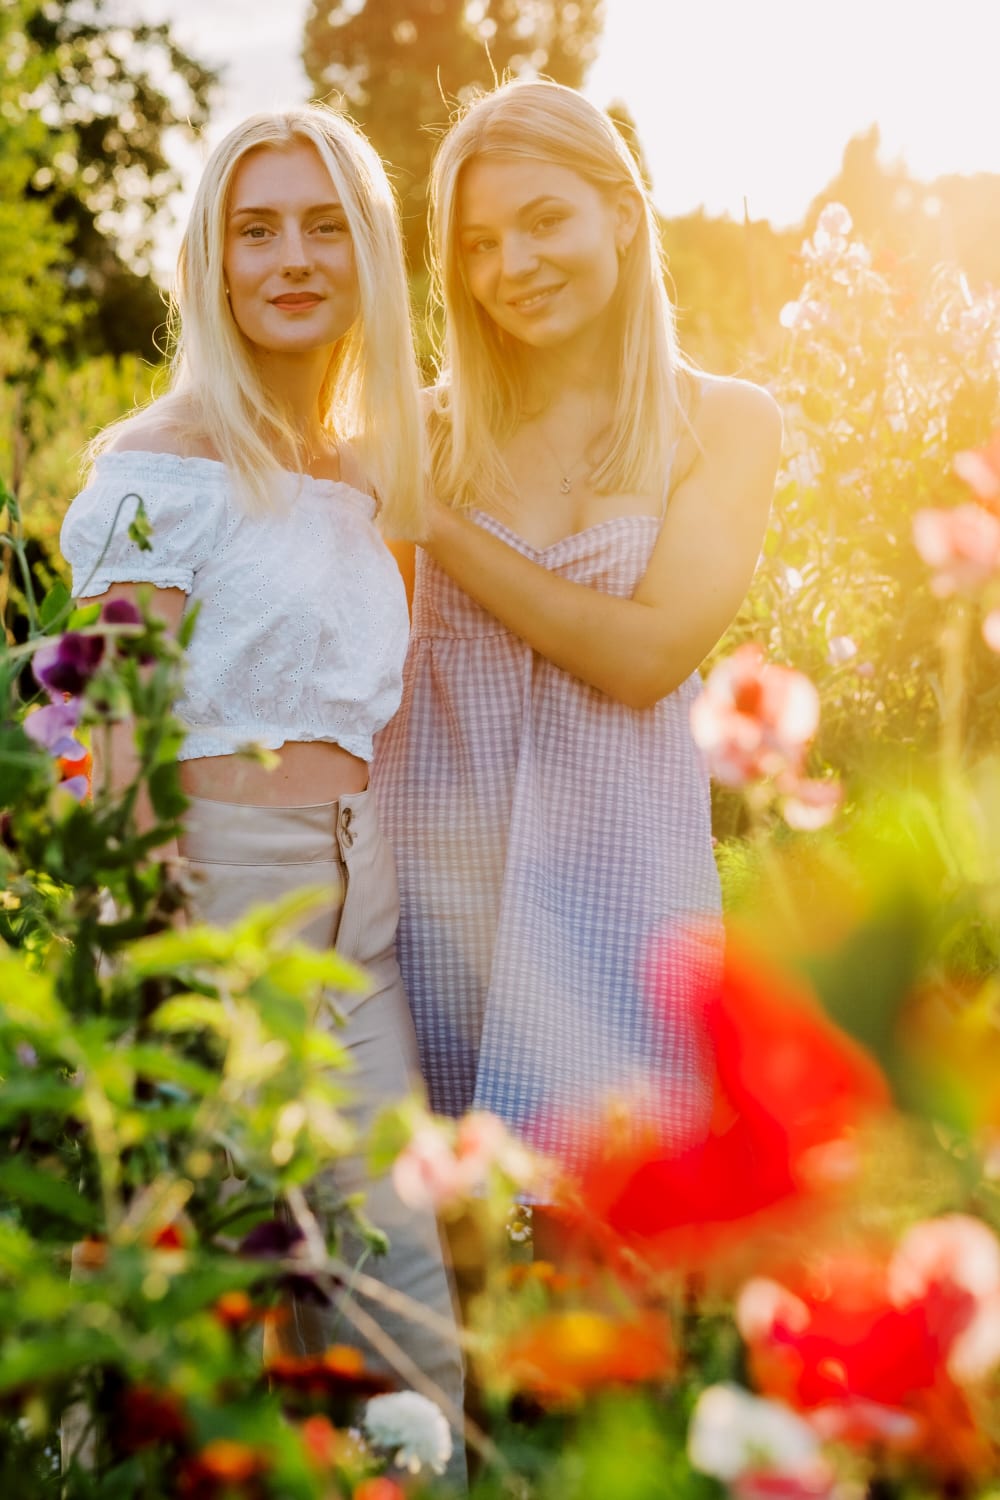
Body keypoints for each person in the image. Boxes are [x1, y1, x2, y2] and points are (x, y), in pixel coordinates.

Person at [59, 105, 466, 1466]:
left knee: (393, 1293)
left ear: (366, 251)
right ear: (213, 261)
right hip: (220, 886)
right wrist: (143, 956)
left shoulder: (362, 477)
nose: (292, 256)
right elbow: (102, 736)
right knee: (213, 1300)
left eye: (323, 224)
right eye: (256, 228)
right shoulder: (162, 465)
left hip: (366, 900)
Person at [372, 80, 782, 1198]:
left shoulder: (723, 423)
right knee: (437, 1295)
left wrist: (434, 518)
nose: (511, 266)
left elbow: (647, 656)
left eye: (542, 220)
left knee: (615, 1283)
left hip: (624, 905)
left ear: (622, 212)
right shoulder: (422, 431)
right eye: (478, 243)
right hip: (433, 903)